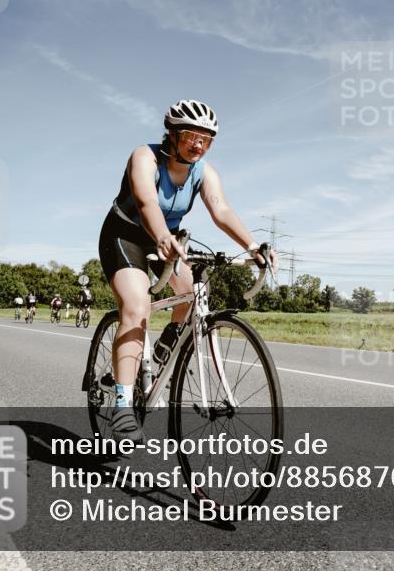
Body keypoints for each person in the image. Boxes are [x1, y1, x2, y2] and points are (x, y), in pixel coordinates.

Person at [98, 99, 276, 442]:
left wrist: (253, 247)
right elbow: (147, 202)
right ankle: (122, 404)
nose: (198, 145)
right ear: (172, 134)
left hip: (170, 239)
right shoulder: (144, 157)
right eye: (191, 136)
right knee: (136, 308)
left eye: (206, 140)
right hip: (126, 235)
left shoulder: (204, 171)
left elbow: (221, 210)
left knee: (193, 294)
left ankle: (165, 345)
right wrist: (161, 235)